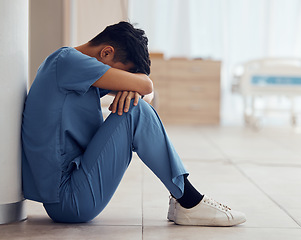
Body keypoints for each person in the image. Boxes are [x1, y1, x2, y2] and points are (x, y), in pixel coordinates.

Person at [21, 21, 246, 226]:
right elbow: (147, 87)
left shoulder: (72, 67)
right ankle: (189, 201)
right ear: (106, 52)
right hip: (69, 200)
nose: (120, 79)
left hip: (70, 194)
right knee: (135, 111)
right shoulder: (69, 62)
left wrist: (133, 92)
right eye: (124, 74)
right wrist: (138, 90)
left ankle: (185, 200)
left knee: (135, 107)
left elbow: (146, 94)